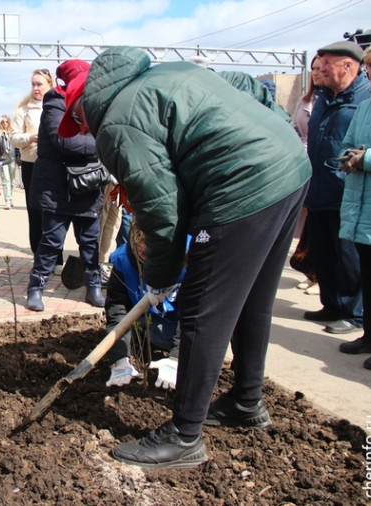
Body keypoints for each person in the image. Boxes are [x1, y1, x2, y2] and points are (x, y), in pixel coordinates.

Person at [60, 46, 310, 468]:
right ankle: (246, 402)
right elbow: (247, 87)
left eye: (78, 123)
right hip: (288, 166)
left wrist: (160, 275)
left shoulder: (117, 122)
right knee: (251, 300)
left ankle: (183, 435)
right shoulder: (165, 74)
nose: (83, 133)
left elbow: (161, 211)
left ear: (85, 107)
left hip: (242, 187)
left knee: (201, 309)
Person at [25, 59, 104, 312]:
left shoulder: (92, 103)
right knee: (52, 241)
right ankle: (35, 289)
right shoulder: (55, 102)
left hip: (87, 183)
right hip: (58, 186)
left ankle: (93, 288)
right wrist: (102, 144)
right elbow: (65, 141)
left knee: (91, 241)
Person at [304, 41, 370, 335]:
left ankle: (354, 313)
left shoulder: (365, 99)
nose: (322, 69)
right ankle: (331, 304)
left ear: (349, 66)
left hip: (347, 192)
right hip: (319, 190)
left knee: (349, 257)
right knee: (322, 253)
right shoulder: (324, 96)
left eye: (328, 63)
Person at [336, 36, 371, 370]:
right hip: (365, 203)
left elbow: (368, 153)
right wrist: (348, 156)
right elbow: (349, 142)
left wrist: (367, 158)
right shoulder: (368, 104)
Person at [104, 218, 183, 390]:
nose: (147, 260)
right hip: (148, 324)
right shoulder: (122, 261)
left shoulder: (188, 258)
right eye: (142, 253)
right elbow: (117, 311)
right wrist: (120, 359)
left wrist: (177, 358)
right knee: (137, 332)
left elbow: (193, 314)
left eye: (154, 255)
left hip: (180, 327)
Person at [11, 69, 57, 259]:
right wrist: (30, 137)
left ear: (50, 85)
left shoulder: (58, 105)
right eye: (33, 84)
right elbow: (14, 138)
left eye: (40, 84)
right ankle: (38, 254)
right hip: (32, 165)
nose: (36, 88)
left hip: (55, 164)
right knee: (35, 211)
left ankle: (56, 256)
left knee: (54, 211)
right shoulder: (23, 109)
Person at [289, 56, 324, 296]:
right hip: (304, 165)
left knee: (323, 229)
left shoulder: (331, 101)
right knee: (310, 228)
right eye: (313, 69)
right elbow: (293, 130)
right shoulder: (305, 100)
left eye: (322, 68)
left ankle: (321, 279)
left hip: (324, 168)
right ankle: (312, 274)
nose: (317, 72)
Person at [0, 115, 17, 209]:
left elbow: (18, 145)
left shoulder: (13, 132)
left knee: (12, 180)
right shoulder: (0, 133)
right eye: (3, 122)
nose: (5, 123)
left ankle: (11, 197)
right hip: (3, 157)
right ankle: (8, 200)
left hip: (12, 157)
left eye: (6, 122)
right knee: (6, 179)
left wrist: (19, 160)